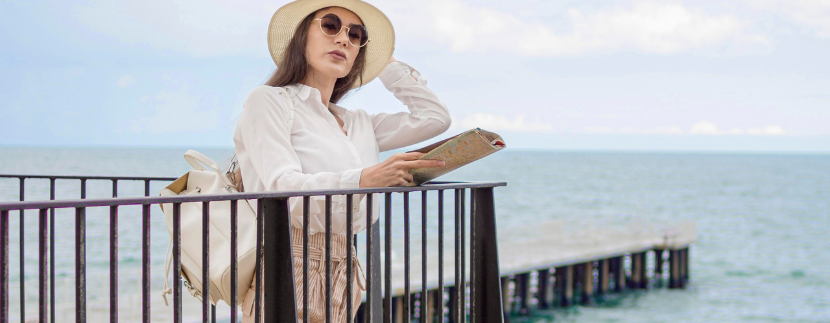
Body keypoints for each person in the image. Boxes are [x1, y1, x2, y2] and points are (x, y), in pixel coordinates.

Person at [232, 0, 451, 321]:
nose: (343, 39)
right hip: (291, 257)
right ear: (300, 37)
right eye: (330, 26)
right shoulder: (270, 101)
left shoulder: (359, 123)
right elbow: (282, 187)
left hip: (347, 262)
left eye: (356, 35)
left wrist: (383, 62)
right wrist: (366, 178)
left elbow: (435, 118)